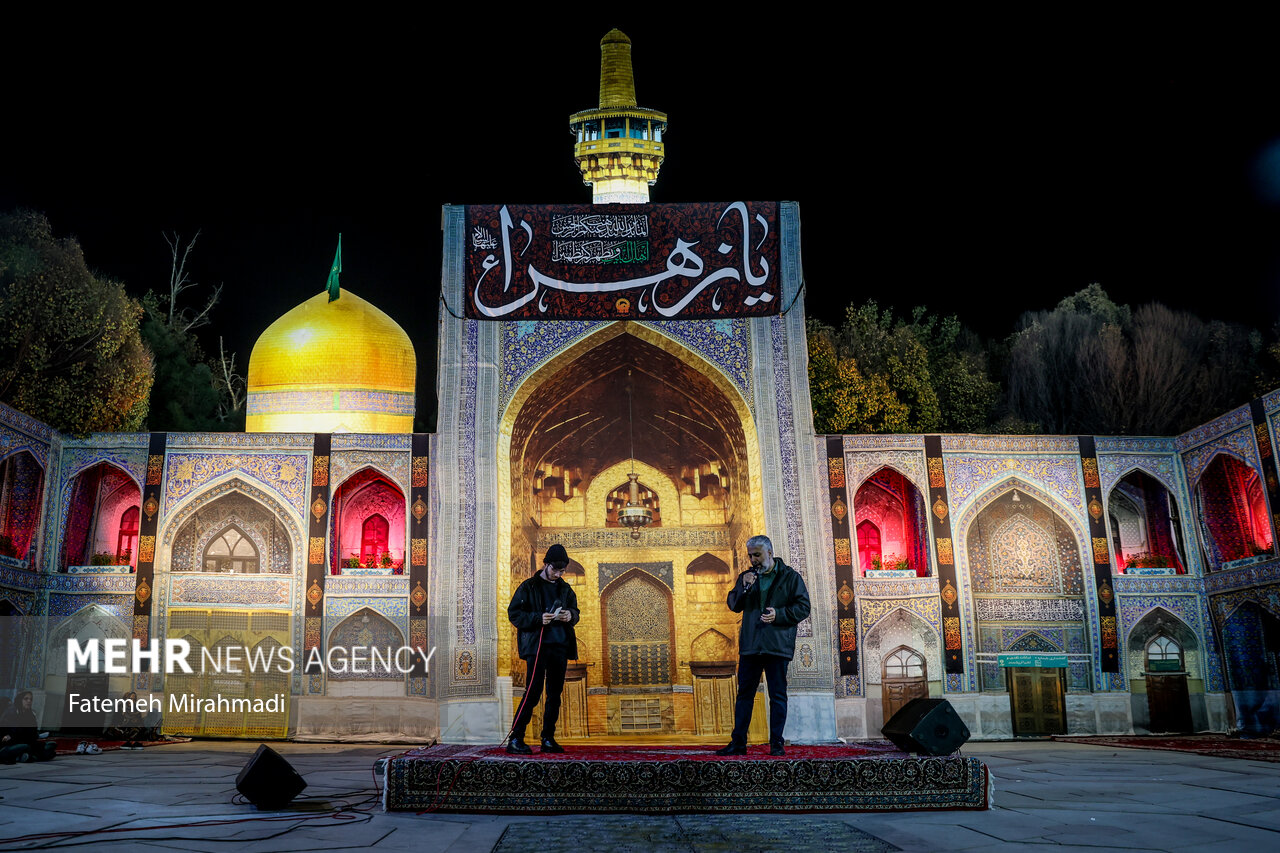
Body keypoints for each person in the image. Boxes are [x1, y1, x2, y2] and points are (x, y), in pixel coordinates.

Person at [715, 534, 810, 757]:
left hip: (777, 646)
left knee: (777, 696)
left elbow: (803, 607)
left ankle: (776, 744)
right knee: (745, 695)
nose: (753, 559)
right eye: (750, 555)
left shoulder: (790, 577)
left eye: (756, 555)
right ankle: (738, 743)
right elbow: (733, 605)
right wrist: (742, 588)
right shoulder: (746, 577)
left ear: (769, 552)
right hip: (751, 646)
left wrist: (780, 614)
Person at [506, 543, 579, 755]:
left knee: (554, 694)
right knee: (533, 692)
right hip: (537, 648)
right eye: (555, 569)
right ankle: (516, 738)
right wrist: (538, 618)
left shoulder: (565, 588)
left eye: (562, 570)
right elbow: (515, 614)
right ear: (545, 564)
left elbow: (576, 611)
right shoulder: (529, 587)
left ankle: (548, 738)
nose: (558, 573)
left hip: (560, 646)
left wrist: (570, 616)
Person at [1, 691, 56, 762]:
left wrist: (36, 735)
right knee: (26, 747)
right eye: (26, 699)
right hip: (12, 744)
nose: (29, 701)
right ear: (20, 700)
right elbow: (13, 733)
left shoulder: (30, 714)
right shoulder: (12, 712)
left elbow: (33, 732)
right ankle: (22, 757)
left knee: (51, 745)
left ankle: (25, 756)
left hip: (27, 742)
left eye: (31, 699)